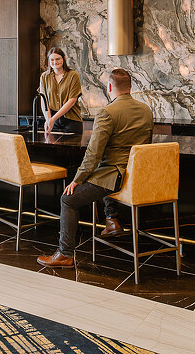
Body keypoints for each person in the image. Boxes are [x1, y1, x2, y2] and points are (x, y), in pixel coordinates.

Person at [37, 68, 153, 268]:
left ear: (109, 87)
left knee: (68, 199)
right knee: (100, 174)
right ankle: (112, 220)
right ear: (131, 87)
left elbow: (93, 153)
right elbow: (145, 147)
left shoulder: (106, 113)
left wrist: (77, 180)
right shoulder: (146, 110)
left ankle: (64, 254)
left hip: (116, 177)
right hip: (138, 176)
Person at [38, 47, 84, 134]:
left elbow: (72, 100)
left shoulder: (73, 75)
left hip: (71, 120)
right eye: (52, 60)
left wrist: (53, 119)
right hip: (52, 120)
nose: (55, 62)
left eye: (58, 59)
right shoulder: (44, 77)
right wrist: (48, 120)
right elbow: (44, 100)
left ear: (64, 58)